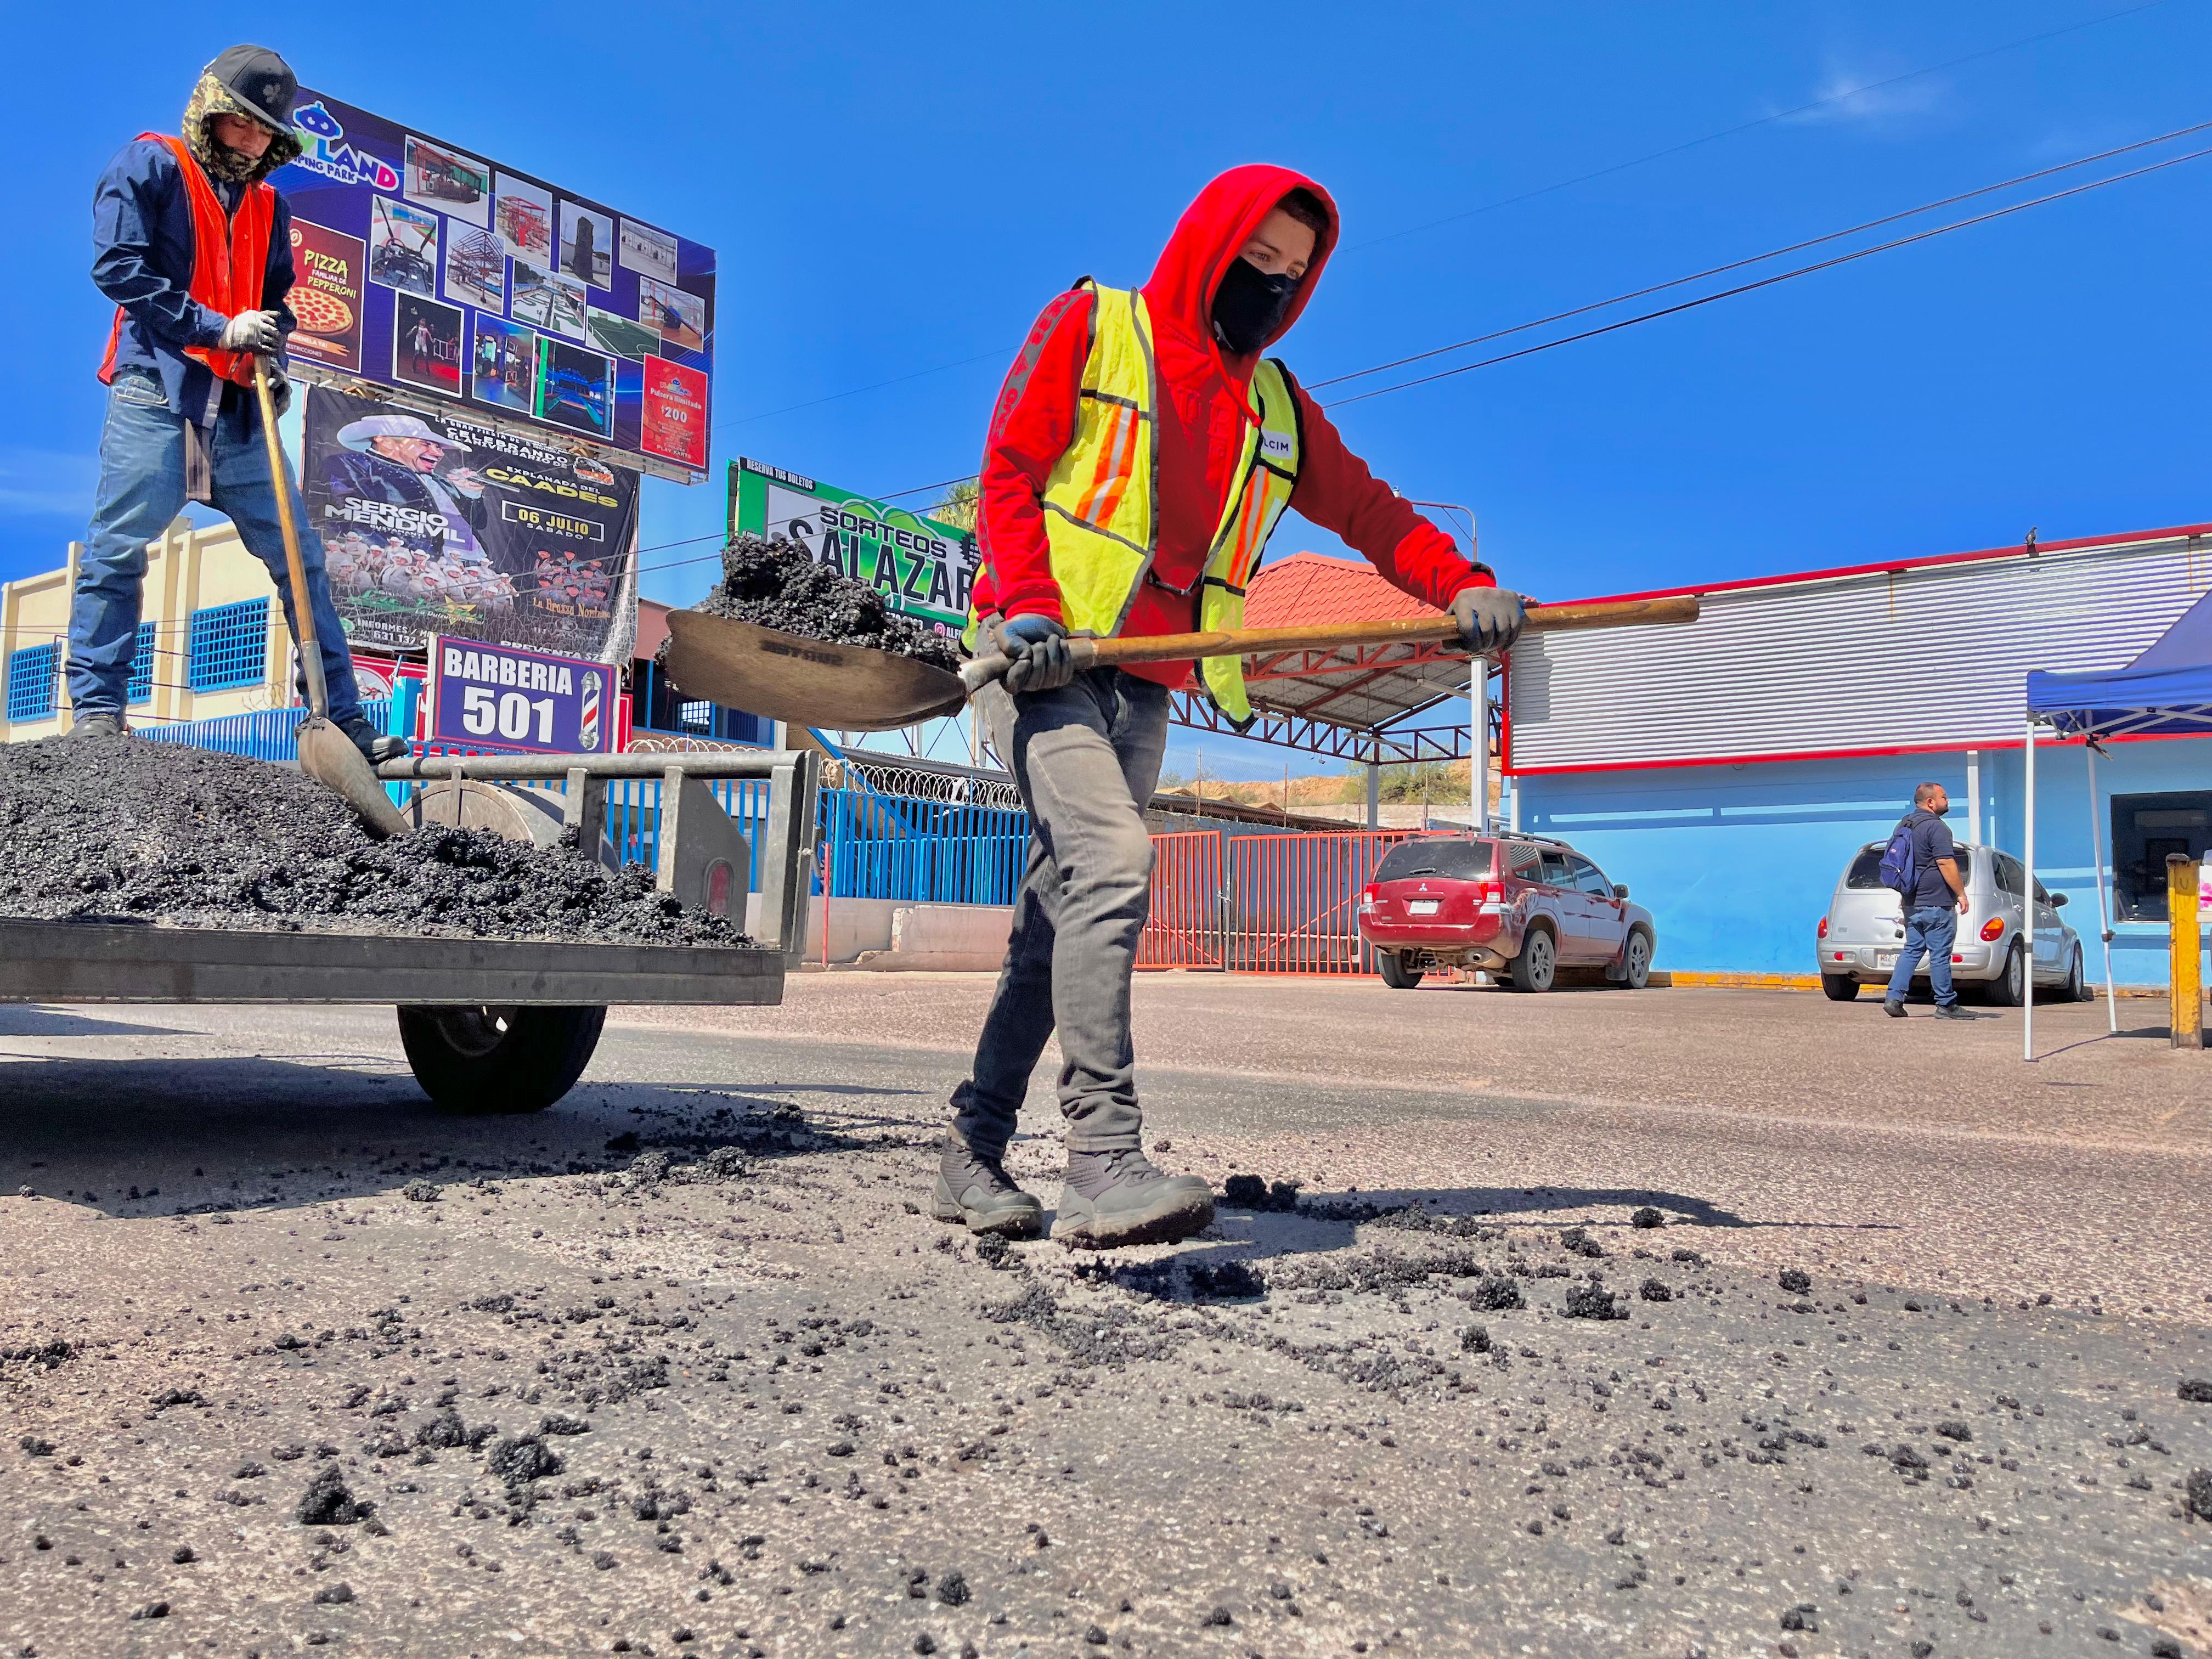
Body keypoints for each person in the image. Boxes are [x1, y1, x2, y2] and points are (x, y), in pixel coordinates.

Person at [933, 166, 1527, 1248]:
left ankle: (971, 1155)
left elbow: (1374, 512)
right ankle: (1102, 1156)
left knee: (1053, 923)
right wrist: (1022, 604)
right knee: (1112, 861)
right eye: (1256, 260)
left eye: (1292, 276)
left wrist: (1461, 584)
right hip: (1039, 657)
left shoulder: (1276, 406)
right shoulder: (1097, 326)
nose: (1270, 285)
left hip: (1149, 685)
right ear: (1209, 241)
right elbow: (1010, 469)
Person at [72, 45, 404, 759]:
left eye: (265, 132)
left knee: (301, 560)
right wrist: (215, 327)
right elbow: (118, 266)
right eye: (241, 124)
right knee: (119, 547)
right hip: (159, 388)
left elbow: (277, 302)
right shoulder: (152, 163)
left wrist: (270, 349)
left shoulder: (267, 205)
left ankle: (340, 721)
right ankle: (98, 711)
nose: (252, 141)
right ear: (209, 113)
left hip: (238, 408)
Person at [1884, 782, 1974, 1020]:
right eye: (1944, 797)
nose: (1948, 801)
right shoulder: (1937, 828)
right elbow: (1946, 862)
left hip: (1912, 901)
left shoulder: (1905, 824)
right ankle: (1946, 1004)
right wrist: (1961, 894)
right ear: (1930, 802)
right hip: (1937, 902)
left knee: (1912, 950)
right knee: (1940, 953)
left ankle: (1894, 998)